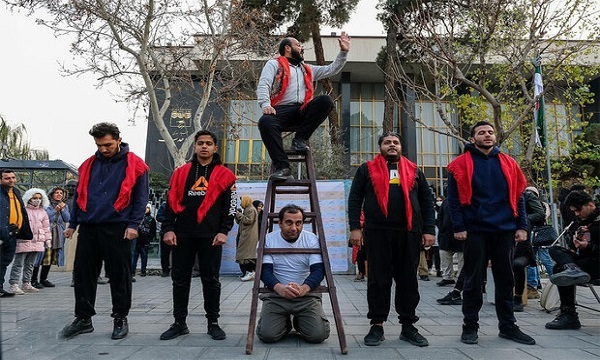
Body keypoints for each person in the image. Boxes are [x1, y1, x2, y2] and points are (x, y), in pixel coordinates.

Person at [447, 121, 535, 346]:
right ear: (472, 138)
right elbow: (454, 201)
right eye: (481, 133)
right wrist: (459, 227)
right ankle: (470, 326)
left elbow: (518, 197)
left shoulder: (509, 163)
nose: (487, 135)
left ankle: (508, 326)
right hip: (475, 230)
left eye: (490, 132)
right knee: (473, 281)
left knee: (506, 280)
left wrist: (522, 226)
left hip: (504, 230)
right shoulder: (459, 164)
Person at [61, 122, 149, 340]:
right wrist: (73, 224)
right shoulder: (88, 164)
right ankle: (83, 319)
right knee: (83, 275)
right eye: (99, 145)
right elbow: (80, 196)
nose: (103, 149)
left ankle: (120, 317)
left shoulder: (136, 165)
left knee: (119, 275)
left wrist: (133, 224)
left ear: (119, 140)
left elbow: (140, 198)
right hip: (89, 226)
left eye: (108, 144)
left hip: (118, 227)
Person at [348, 131, 435, 347]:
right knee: (378, 280)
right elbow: (355, 199)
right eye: (387, 142)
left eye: (396, 142)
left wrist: (429, 230)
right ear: (380, 147)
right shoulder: (366, 169)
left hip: (409, 233)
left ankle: (408, 326)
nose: (392, 145)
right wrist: (354, 229)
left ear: (401, 147)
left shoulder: (415, 171)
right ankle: (377, 325)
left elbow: (426, 201)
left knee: (408, 280)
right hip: (377, 232)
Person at [159, 130, 237, 341]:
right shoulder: (180, 172)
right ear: (195, 146)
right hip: (182, 234)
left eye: (208, 143)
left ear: (215, 147)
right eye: (200, 143)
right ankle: (179, 323)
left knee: (211, 280)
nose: (204, 146)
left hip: (211, 235)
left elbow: (231, 206)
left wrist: (224, 230)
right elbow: (170, 202)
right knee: (180, 280)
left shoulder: (226, 175)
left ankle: (213, 323)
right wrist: (168, 228)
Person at [257, 33, 350, 180]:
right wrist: (265, 104)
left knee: (325, 100)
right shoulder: (274, 64)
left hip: (302, 110)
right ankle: (283, 167)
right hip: (280, 110)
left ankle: (299, 139)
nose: (302, 48)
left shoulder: (307, 69)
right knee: (265, 122)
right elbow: (264, 84)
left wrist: (343, 52)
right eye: (298, 45)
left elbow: (331, 69)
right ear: (288, 48)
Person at [256, 204, 330, 344]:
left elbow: (318, 270)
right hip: (276, 295)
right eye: (289, 223)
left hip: (306, 296)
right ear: (280, 223)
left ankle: (299, 320)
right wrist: (279, 288)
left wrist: (304, 288)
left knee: (318, 335)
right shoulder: (268, 240)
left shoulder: (311, 239)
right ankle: (285, 323)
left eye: (298, 223)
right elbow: (264, 271)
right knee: (267, 335)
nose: (294, 228)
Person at [545, 190, 599, 330]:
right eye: (574, 211)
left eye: (579, 210)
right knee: (554, 250)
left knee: (559, 269)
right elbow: (573, 248)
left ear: (591, 205)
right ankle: (572, 268)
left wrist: (589, 246)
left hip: (597, 262)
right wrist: (575, 242)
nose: (577, 214)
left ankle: (569, 315)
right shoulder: (579, 222)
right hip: (584, 261)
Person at [8, 188, 50, 294]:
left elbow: (46, 227)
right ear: (29, 198)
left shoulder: (43, 212)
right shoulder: (23, 210)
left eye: (40, 198)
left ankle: (27, 283)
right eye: (35, 198)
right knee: (18, 263)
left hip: (37, 241)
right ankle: (14, 284)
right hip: (23, 240)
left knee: (30, 264)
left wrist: (48, 239)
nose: (37, 200)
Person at [0, 169, 33, 297]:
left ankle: (0, 288)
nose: (11, 180)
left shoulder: (16, 192)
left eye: (13, 177)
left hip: (12, 233)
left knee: (4, 262)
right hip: (2, 233)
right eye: (7, 178)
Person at [31, 186, 70, 289]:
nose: (59, 195)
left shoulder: (64, 206)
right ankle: (33, 279)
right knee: (39, 256)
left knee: (50, 256)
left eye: (61, 193)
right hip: (45, 232)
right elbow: (44, 217)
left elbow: (67, 219)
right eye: (56, 192)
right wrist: (55, 210)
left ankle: (43, 279)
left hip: (57, 233)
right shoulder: (45, 205)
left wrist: (62, 210)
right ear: (52, 194)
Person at [523, 186, 552, 299]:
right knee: (532, 259)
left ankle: (552, 280)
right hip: (534, 232)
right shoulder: (541, 204)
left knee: (544, 259)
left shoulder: (542, 205)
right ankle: (533, 284)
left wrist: (525, 217)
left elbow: (544, 216)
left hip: (539, 233)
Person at [437, 197, 464, 287]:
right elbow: (440, 216)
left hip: (462, 234)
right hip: (446, 235)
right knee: (444, 255)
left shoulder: (465, 199)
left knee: (462, 258)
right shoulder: (446, 202)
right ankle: (447, 278)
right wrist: (442, 228)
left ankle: (462, 278)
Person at [235, 195, 259, 282]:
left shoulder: (251, 209)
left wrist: (238, 214)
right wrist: (238, 214)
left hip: (248, 236)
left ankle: (250, 272)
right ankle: (247, 272)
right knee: (244, 254)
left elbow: (248, 221)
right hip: (245, 235)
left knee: (246, 255)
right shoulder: (247, 209)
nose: (241, 203)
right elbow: (241, 222)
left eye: (242, 201)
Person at [132, 204, 157, 278]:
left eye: (147, 208)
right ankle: (132, 271)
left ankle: (143, 271)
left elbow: (153, 230)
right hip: (136, 240)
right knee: (134, 257)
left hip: (145, 240)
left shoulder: (151, 219)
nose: (146, 209)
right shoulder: (138, 218)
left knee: (144, 256)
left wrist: (149, 239)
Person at [156, 202, 171, 277]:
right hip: (165, 231)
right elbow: (158, 217)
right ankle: (165, 270)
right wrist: (169, 220)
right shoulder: (164, 205)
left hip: (178, 232)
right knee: (165, 253)